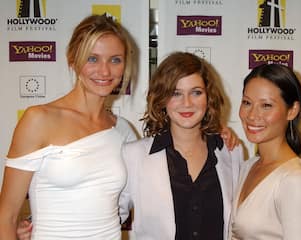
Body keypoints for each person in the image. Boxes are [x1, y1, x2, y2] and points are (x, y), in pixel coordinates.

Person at [0, 14, 137, 239]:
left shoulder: (122, 130)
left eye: (115, 59)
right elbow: (6, 217)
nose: (105, 71)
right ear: (73, 60)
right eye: (93, 59)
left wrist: (213, 137)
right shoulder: (39, 119)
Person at [118, 51, 244, 240]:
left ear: (208, 97)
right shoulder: (134, 156)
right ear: (162, 99)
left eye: (196, 92)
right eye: (176, 93)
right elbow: (108, 220)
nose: (187, 103)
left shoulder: (231, 151)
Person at [230, 64, 301, 239]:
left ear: (292, 110)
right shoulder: (248, 166)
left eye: (266, 105)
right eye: (247, 102)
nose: (252, 115)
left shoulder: (295, 181)